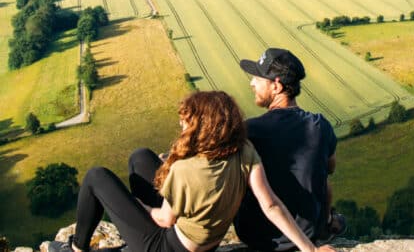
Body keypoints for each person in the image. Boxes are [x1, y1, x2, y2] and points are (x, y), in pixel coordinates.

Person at [48, 91, 337, 252]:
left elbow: (164, 219)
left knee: (97, 176)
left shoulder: (184, 171)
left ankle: (77, 248)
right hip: (207, 240)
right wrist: (309, 250)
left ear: (203, 126)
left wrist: (137, 207)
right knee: (140, 158)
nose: (182, 127)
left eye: (186, 122)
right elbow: (271, 204)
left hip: (168, 246)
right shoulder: (244, 149)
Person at [235, 48, 345, 252]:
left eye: (257, 78)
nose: (252, 83)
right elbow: (330, 168)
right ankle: (329, 220)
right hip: (308, 231)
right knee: (322, 176)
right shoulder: (321, 126)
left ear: (276, 86)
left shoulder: (250, 130)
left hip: (258, 235)